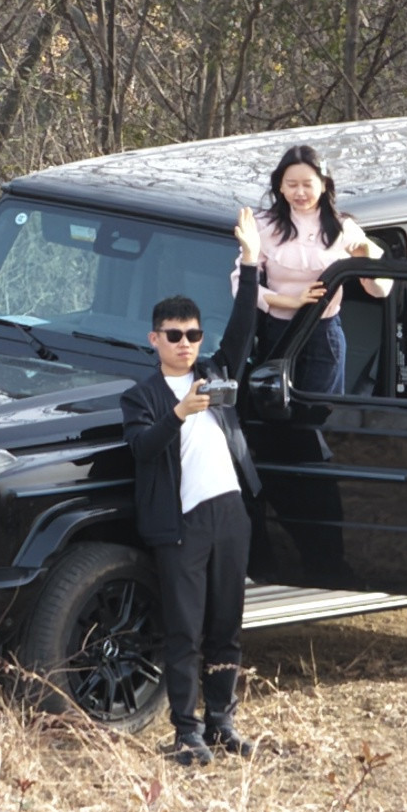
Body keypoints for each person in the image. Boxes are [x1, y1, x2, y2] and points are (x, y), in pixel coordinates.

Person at [119, 292, 259, 765]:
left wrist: (252, 263)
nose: (185, 344)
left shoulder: (215, 373)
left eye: (193, 335)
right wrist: (179, 413)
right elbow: (141, 448)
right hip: (181, 524)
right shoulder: (141, 395)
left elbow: (243, 325)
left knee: (227, 626)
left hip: (231, 514)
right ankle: (186, 731)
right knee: (185, 631)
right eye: (175, 336)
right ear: (154, 339)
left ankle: (222, 722)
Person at [227, 143, 391, 407]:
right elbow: (241, 286)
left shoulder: (342, 228)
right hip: (276, 332)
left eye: (308, 184)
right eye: (291, 184)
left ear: (324, 185)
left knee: (318, 414)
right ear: (280, 186)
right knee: (273, 411)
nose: (300, 192)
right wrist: (290, 301)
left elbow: (380, 291)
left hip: (323, 333)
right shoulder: (264, 226)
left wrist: (370, 254)